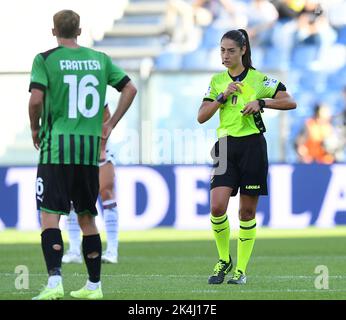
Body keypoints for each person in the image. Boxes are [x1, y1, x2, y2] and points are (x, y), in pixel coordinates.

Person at [28, 10, 137, 300]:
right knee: (88, 216)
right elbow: (130, 87)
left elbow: (36, 99)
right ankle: (94, 286)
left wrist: (34, 129)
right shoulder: (99, 60)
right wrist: (110, 124)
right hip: (89, 150)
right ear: (80, 30)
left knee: (50, 216)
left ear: (54, 31)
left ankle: (54, 283)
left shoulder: (46, 59)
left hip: (57, 149)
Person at [197, 29, 296, 285]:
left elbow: (289, 101)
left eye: (230, 50)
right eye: (222, 50)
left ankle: (240, 269)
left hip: (253, 147)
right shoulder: (218, 81)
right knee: (217, 206)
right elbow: (201, 116)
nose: (225, 55)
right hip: (225, 148)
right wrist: (222, 96)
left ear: (243, 50)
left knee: (246, 212)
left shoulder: (259, 79)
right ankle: (223, 259)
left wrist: (262, 104)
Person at [62, 105, 119, 265]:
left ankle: (112, 250)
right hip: (76, 144)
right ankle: (74, 249)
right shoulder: (67, 86)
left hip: (98, 144)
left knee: (106, 191)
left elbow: (105, 113)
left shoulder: (92, 82)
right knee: (73, 196)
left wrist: (101, 146)